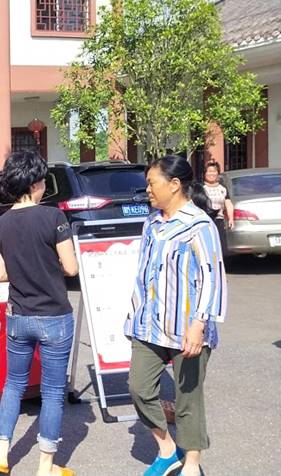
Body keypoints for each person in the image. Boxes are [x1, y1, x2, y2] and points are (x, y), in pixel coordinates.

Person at [0, 150, 78, 476]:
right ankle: (45, 466)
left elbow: (0, 275)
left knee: (13, 385)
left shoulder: (0, 225)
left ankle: (0, 453)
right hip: (54, 315)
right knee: (52, 392)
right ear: (35, 183)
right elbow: (71, 267)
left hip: (18, 316)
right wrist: (47, 265)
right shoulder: (53, 218)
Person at [126, 155, 226, 476]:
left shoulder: (199, 225)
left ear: (174, 184)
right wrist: (134, 316)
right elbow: (143, 273)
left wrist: (199, 324)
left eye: (151, 183)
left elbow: (212, 277)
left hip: (188, 329)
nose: (147, 190)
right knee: (139, 388)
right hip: (150, 326)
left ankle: (192, 464)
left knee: (188, 400)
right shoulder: (152, 222)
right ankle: (168, 450)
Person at [201, 161, 234, 248]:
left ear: (218, 173)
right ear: (205, 173)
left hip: (219, 221)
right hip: (205, 221)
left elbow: (228, 203)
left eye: (214, 171)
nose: (211, 174)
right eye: (209, 171)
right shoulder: (201, 188)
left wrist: (231, 218)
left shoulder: (223, 188)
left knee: (220, 246)